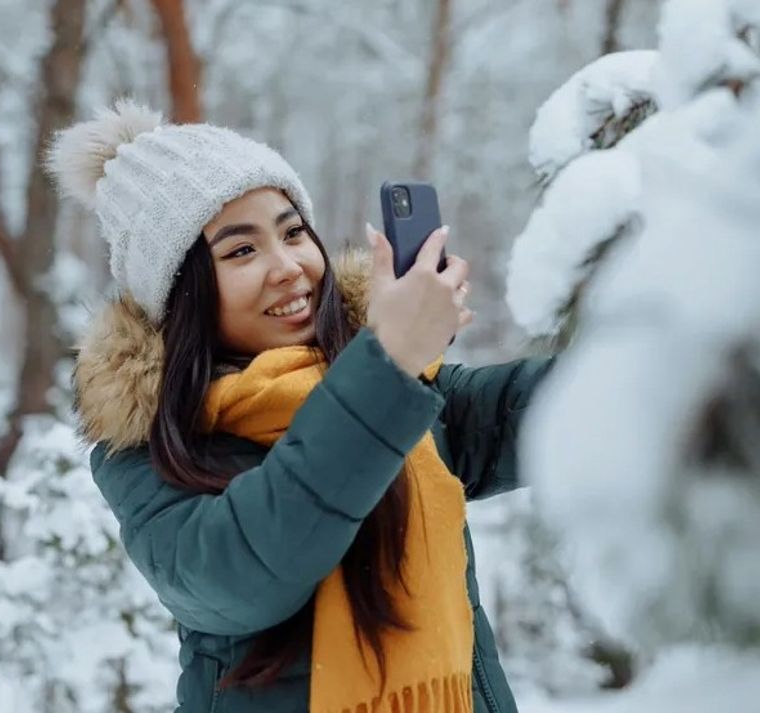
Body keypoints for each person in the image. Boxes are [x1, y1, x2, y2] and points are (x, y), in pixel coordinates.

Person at [50, 98, 554, 713]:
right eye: (241, 251)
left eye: (292, 233)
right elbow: (250, 570)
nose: (289, 268)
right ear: (181, 293)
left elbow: (550, 407)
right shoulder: (151, 454)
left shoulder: (403, 395)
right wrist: (388, 364)